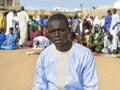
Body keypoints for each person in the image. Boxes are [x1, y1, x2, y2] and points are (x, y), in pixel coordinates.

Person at [32, 13, 98, 90]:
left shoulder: (85, 55)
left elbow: (90, 86)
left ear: (69, 31)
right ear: (48, 33)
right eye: (53, 31)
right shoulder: (44, 56)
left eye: (61, 30)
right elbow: (39, 84)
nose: (57, 34)